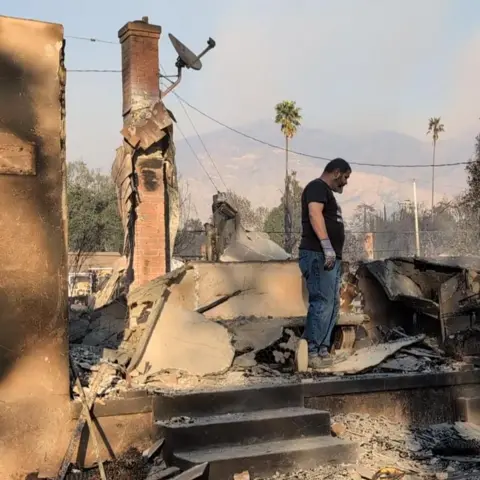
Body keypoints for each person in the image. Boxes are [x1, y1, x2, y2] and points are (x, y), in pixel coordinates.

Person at [296, 158, 352, 370]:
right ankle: (311, 351)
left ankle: (322, 350)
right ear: (336, 172)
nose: (346, 182)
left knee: (332, 304)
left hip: (330, 257)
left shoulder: (327, 194)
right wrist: (327, 246)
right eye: (345, 177)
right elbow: (314, 213)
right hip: (318, 254)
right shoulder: (317, 187)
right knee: (321, 302)